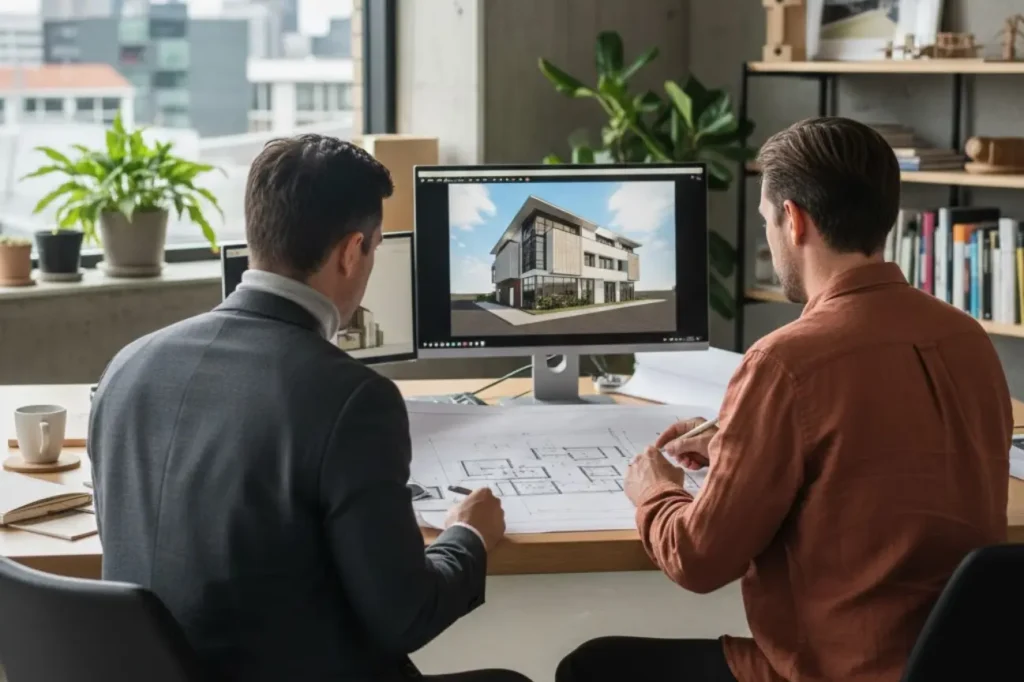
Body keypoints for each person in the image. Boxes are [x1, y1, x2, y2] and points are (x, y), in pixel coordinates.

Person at [557, 117, 1012, 682]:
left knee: (591, 668)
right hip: (958, 665)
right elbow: (881, 460)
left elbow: (697, 560)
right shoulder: (968, 338)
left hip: (831, 671)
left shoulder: (785, 361)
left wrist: (655, 492)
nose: (770, 236)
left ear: (793, 220)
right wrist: (744, 445)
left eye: (767, 220)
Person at [89, 135, 530, 682]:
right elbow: (406, 616)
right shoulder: (352, 398)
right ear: (352, 252)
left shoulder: (127, 367)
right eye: (374, 247)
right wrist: (468, 535)